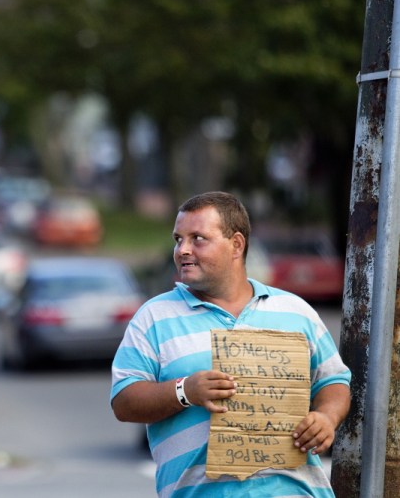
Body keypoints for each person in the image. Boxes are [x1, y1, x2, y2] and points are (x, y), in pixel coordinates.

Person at [110, 191, 351, 497]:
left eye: (197, 238)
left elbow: (334, 381)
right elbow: (123, 401)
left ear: (236, 244)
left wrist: (327, 417)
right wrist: (185, 391)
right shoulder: (153, 318)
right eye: (178, 239)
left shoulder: (295, 311)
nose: (182, 249)